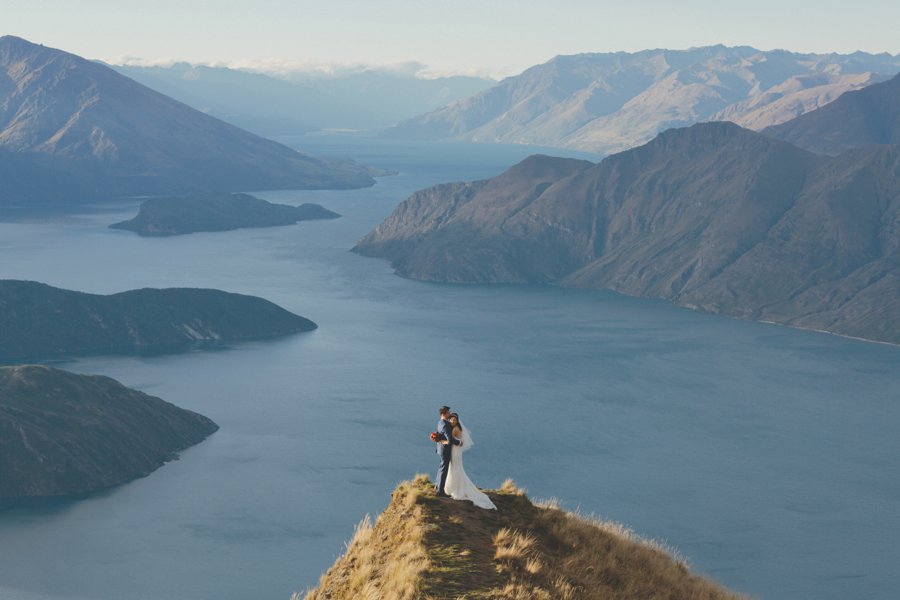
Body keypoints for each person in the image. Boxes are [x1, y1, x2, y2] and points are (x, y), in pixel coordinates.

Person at [444, 412, 496, 510]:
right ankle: (454, 486)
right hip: (456, 450)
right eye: (451, 419)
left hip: (455, 451)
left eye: (455, 420)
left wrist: (441, 440)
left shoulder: (455, 429)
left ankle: (456, 488)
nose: (453, 421)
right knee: (455, 468)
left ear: (457, 421)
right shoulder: (456, 428)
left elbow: (450, 440)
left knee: (455, 468)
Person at [435, 405, 461, 497]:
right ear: (444, 414)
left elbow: (439, 435)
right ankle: (440, 491)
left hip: (440, 448)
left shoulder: (440, 422)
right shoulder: (445, 424)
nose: (449, 414)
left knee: (441, 468)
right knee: (444, 469)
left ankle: (437, 486)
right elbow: (449, 439)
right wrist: (458, 442)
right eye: (448, 412)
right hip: (445, 449)